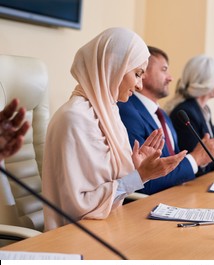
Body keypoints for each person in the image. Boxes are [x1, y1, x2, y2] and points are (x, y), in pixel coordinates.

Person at [42, 28, 186, 230]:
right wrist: (141, 176)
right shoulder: (75, 118)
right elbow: (80, 207)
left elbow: (109, 193)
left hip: (108, 225)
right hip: (77, 236)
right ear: (113, 67)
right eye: (137, 74)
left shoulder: (109, 112)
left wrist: (136, 167)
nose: (138, 85)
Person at [118, 47, 214, 194]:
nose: (170, 78)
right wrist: (196, 158)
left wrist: (206, 157)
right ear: (143, 72)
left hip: (176, 195)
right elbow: (144, 178)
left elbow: (174, 164)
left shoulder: (162, 115)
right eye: (164, 70)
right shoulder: (126, 111)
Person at [167, 55, 214, 172]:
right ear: (210, 81)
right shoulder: (186, 112)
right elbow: (193, 159)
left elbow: (207, 153)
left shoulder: (204, 109)